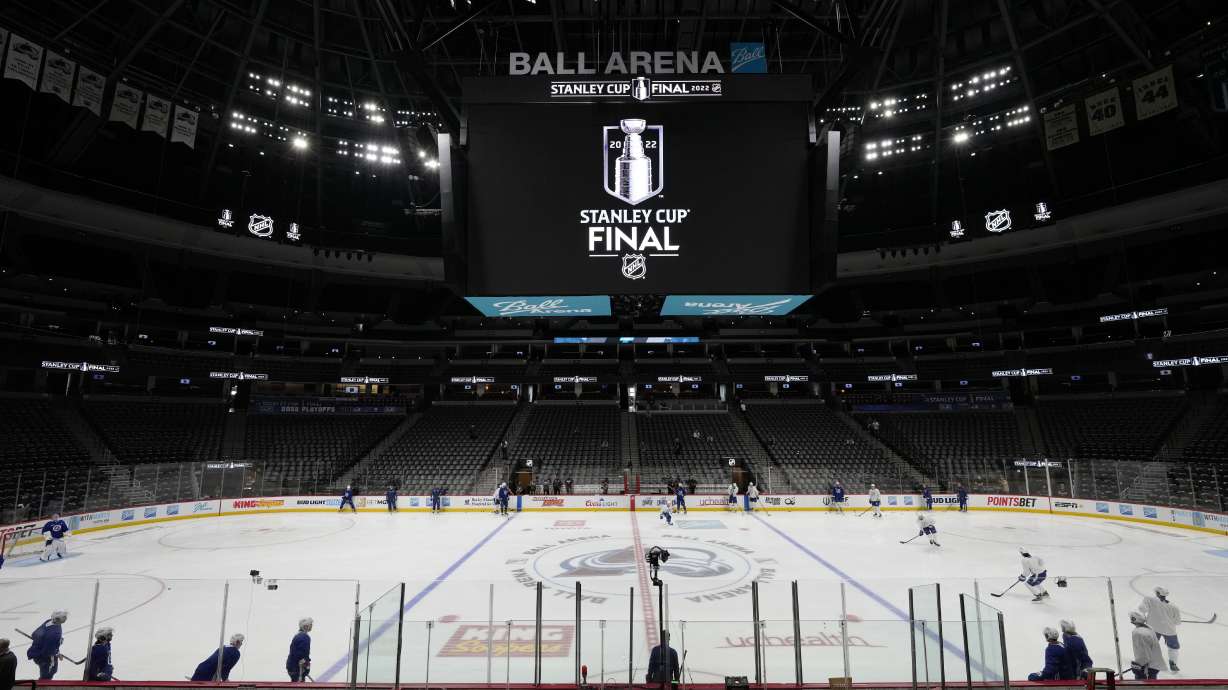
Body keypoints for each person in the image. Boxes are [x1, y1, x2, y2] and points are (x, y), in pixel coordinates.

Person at [1139, 586, 1181, 671]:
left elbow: (1142, 609)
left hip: (1153, 628)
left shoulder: (1149, 599)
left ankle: (1146, 661)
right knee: (1173, 647)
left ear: (1157, 593)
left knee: (1150, 645)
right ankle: (1173, 663)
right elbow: (1177, 622)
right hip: (1169, 630)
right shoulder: (1174, 607)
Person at [27, 610, 67, 679]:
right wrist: (57, 654)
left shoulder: (49, 622)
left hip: (35, 651)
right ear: (58, 619)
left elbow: (34, 634)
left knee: (48, 672)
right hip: (44, 657)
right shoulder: (54, 634)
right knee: (49, 673)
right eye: (64, 618)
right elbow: (48, 652)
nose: (65, 619)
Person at [1129, 611, 1163, 679]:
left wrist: (1138, 665)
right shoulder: (1149, 628)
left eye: (1131, 618)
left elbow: (1144, 653)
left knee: (1144, 686)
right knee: (1152, 685)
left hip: (1147, 668)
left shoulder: (1138, 633)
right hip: (1154, 666)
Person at [286, 617, 312, 682]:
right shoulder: (304, 637)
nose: (311, 626)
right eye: (310, 625)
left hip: (292, 667)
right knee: (299, 685)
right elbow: (301, 654)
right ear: (306, 626)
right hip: (296, 668)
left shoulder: (298, 635)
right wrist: (306, 665)